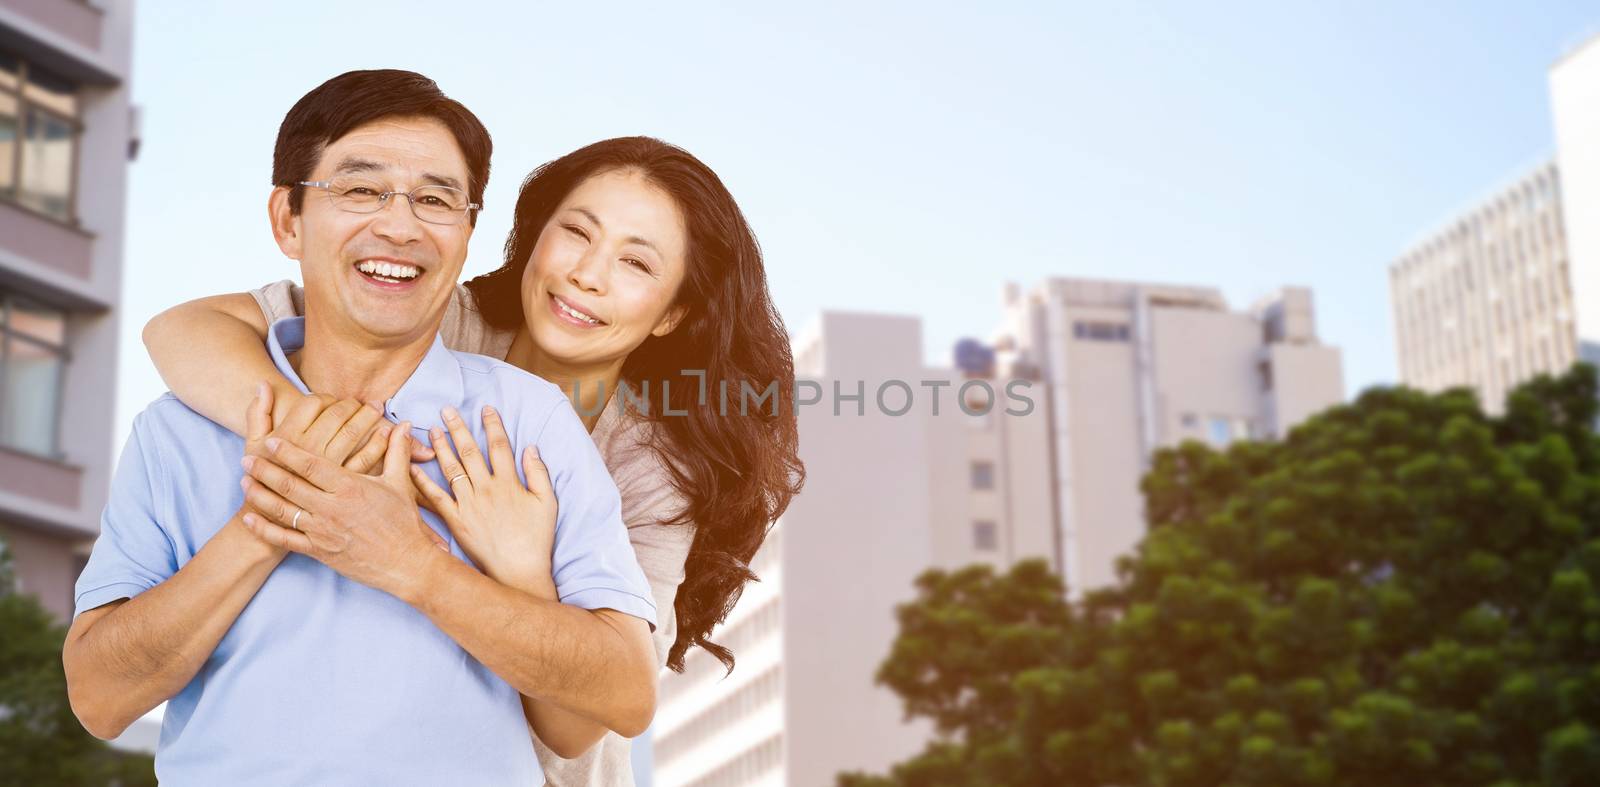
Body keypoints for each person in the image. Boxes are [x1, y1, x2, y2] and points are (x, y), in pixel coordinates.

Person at [142, 135, 805, 782]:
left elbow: (586, 718)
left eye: (637, 264)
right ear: (533, 234)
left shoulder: (651, 465)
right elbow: (182, 330)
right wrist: (321, 439)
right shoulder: (434, 321)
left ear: (672, 312)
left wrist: (519, 566)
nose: (587, 274)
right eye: (575, 231)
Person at [63, 70, 660, 786]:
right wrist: (274, 515)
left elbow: (623, 691)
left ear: (467, 234)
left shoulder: (528, 423)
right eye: (360, 189)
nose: (400, 225)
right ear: (287, 220)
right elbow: (99, 699)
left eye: (437, 200)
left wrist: (413, 563)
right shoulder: (178, 428)